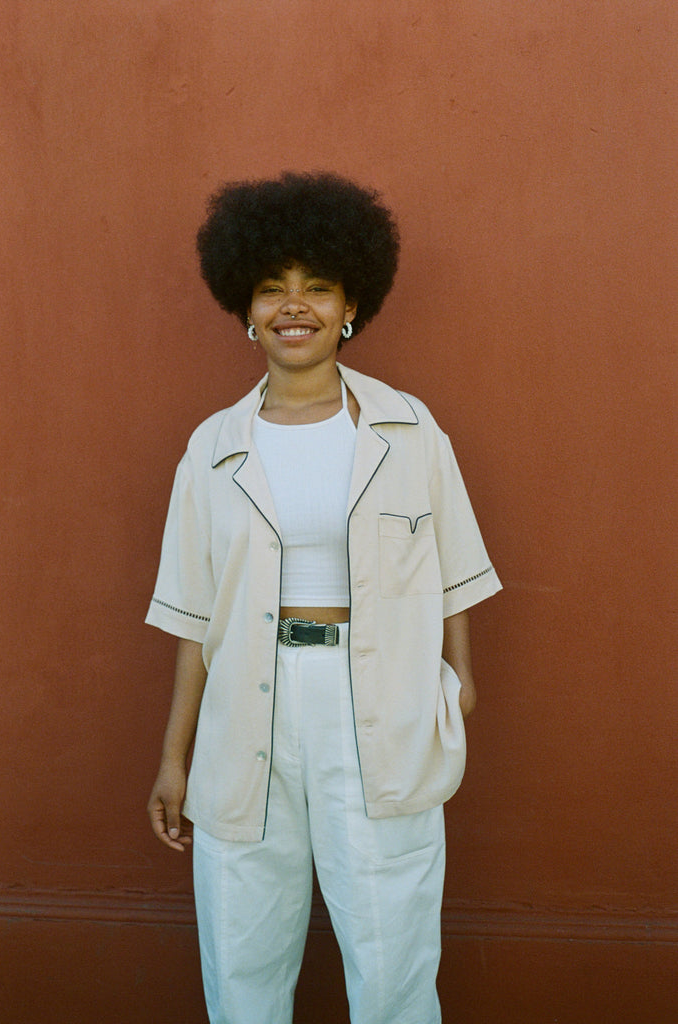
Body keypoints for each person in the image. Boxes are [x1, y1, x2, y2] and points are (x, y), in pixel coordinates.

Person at [146, 171, 501, 1024]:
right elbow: (195, 619)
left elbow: (454, 573)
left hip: (377, 704)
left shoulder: (408, 429)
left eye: (316, 288)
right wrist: (173, 755)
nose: (292, 306)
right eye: (272, 288)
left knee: (392, 946)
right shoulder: (213, 447)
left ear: (350, 304)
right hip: (247, 707)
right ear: (246, 307)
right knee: (242, 943)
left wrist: (456, 687)